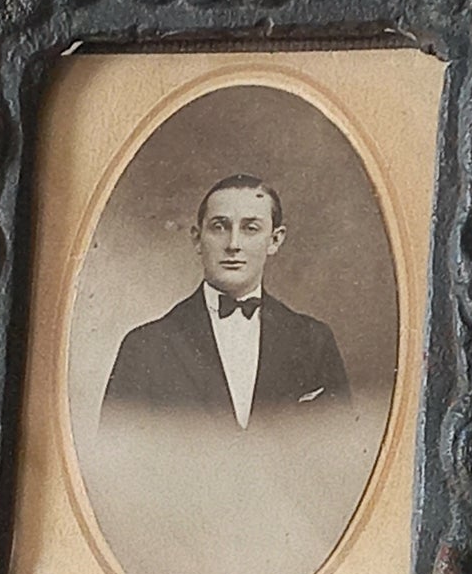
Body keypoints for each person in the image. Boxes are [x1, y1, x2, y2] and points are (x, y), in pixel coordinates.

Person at [100, 174, 350, 428]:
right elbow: (115, 459)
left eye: (250, 228)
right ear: (198, 238)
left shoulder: (313, 341)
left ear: (274, 240)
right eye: (220, 227)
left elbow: (341, 452)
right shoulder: (145, 347)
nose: (233, 244)